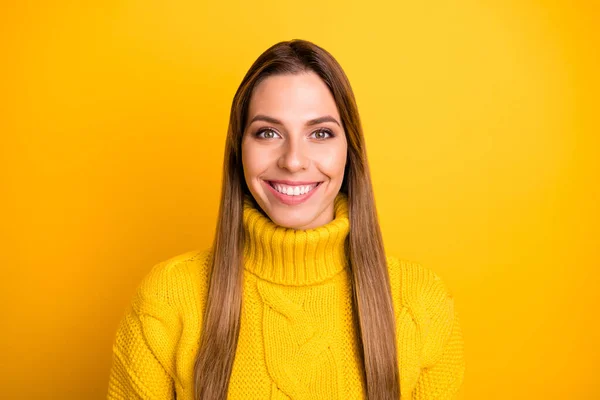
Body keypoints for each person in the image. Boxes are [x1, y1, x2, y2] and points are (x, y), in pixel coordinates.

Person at [107, 39, 465, 400]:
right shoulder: (167, 299)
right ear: (239, 151)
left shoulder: (421, 303)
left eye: (320, 133)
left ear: (349, 152)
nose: (293, 160)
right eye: (268, 132)